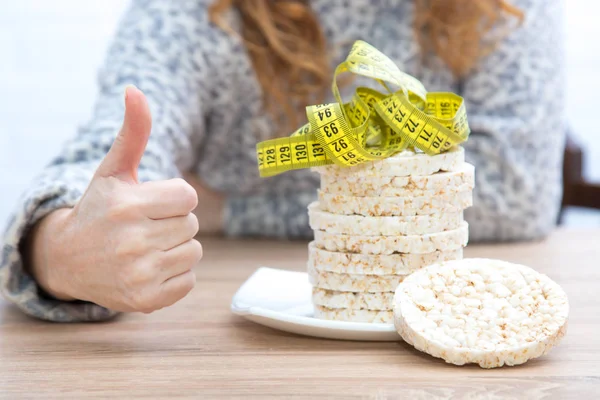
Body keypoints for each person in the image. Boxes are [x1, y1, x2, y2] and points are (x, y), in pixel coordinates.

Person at [0, 0, 565, 322]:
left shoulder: (504, 9)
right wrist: (57, 251)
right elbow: (105, 171)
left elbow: (519, 191)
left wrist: (228, 211)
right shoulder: (190, 12)